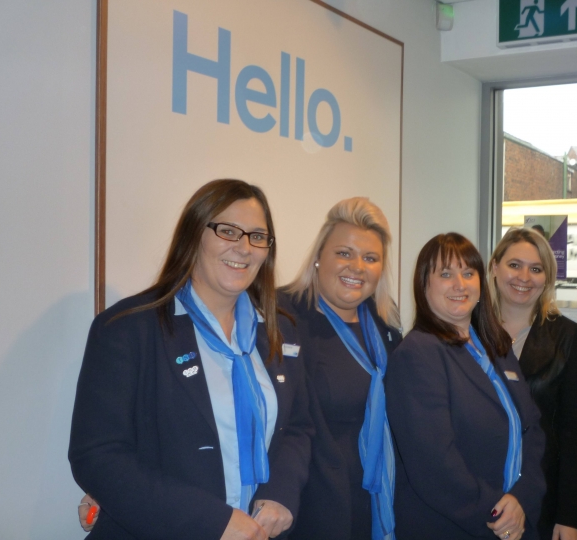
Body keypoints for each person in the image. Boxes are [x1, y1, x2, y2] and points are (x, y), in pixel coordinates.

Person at [69, 179, 313, 539]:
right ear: (193, 234)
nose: (244, 248)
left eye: (257, 237)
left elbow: (297, 427)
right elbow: (98, 456)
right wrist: (213, 522)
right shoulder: (128, 328)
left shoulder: (280, 330)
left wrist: (280, 494)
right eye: (227, 231)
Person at [385, 232, 546, 540]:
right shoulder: (417, 354)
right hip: (457, 527)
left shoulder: (495, 346)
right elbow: (435, 466)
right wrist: (498, 514)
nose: (459, 284)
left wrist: (522, 499)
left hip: (515, 521)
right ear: (424, 284)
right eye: (445, 274)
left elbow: (532, 429)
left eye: (468, 273)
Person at [280, 197, 402, 540]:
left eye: (370, 258)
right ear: (319, 256)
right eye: (344, 253)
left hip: (373, 498)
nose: (357, 267)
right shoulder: (281, 317)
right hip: (309, 506)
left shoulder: (385, 326)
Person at [488, 228, 577, 540]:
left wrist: (570, 517)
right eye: (514, 265)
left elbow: (576, 436)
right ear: (495, 267)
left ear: (547, 279)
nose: (524, 276)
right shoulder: (468, 332)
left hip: (541, 503)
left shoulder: (568, 338)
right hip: (479, 497)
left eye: (536, 269)